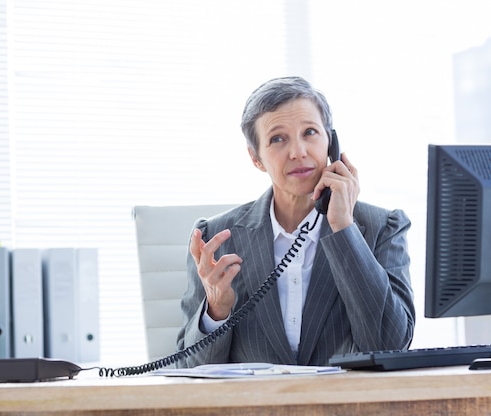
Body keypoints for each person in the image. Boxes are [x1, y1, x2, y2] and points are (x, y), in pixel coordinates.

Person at [176, 76, 415, 367]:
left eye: (310, 132)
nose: (298, 151)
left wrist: (344, 230)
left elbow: (390, 346)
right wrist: (216, 311)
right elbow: (190, 371)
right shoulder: (215, 238)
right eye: (278, 139)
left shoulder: (383, 227)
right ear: (256, 158)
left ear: (331, 143)